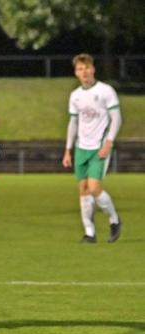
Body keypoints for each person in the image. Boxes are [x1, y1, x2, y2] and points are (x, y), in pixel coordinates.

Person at [62, 53, 122, 243]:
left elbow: (117, 118)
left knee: (94, 187)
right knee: (83, 190)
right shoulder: (75, 96)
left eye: (87, 67)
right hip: (82, 148)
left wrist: (109, 142)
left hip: (99, 147)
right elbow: (73, 122)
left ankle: (114, 219)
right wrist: (68, 149)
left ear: (93, 69)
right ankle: (90, 233)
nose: (84, 72)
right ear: (76, 73)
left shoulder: (106, 91)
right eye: (80, 69)